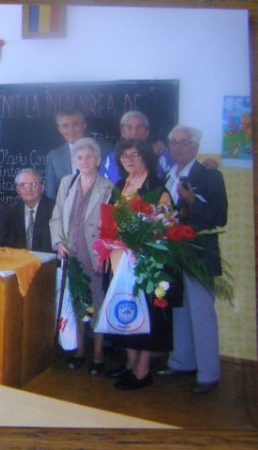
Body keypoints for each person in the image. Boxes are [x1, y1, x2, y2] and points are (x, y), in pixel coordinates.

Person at [159, 125, 228, 394]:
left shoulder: (210, 175)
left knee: (202, 314)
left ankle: (208, 373)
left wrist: (192, 201)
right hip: (175, 253)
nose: (177, 147)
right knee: (180, 310)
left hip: (199, 254)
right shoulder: (168, 174)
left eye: (184, 142)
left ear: (195, 146)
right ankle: (181, 361)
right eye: (173, 142)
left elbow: (220, 217)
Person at [104, 139, 176, 390]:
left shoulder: (156, 186)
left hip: (147, 262)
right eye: (124, 156)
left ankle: (142, 370)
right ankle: (130, 363)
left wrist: (142, 239)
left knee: (147, 314)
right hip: (119, 261)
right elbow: (109, 221)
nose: (129, 160)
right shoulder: (119, 185)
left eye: (135, 154)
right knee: (126, 311)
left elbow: (165, 223)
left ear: (145, 156)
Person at [49, 138, 114, 374]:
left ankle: (97, 355)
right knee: (76, 302)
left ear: (98, 160)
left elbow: (111, 226)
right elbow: (56, 216)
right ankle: (79, 351)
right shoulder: (67, 183)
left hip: (95, 256)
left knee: (97, 303)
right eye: (79, 157)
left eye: (89, 157)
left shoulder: (109, 187)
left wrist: (104, 254)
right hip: (71, 254)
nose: (84, 161)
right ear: (74, 161)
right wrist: (58, 242)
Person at [45, 109, 111, 200]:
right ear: (59, 129)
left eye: (75, 124)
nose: (71, 130)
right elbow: (50, 194)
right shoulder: (54, 157)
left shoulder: (105, 150)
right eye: (65, 126)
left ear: (83, 126)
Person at [5, 168, 55, 253]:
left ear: (42, 187)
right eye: (23, 185)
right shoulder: (11, 211)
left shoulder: (54, 209)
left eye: (33, 184)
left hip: (47, 260)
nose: (28, 189)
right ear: (17, 190)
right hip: (19, 259)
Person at [99, 111, 151, 183]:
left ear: (147, 131)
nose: (134, 132)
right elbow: (102, 186)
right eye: (129, 127)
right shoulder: (111, 159)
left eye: (139, 127)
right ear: (122, 132)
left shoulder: (160, 157)